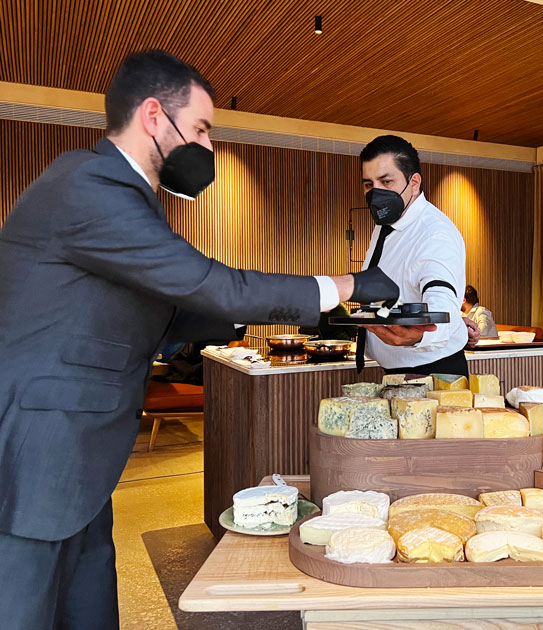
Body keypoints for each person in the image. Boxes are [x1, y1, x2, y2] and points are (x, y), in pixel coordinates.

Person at [0, 49, 398, 630]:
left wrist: (332, 317)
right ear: (155, 116)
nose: (208, 147)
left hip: (79, 452)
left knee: (83, 606)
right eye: (203, 128)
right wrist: (347, 283)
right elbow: (208, 283)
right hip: (43, 447)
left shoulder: (123, 194)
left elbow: (172, 311)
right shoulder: (89, 183)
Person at [355, 135, 471, 377]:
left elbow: (441, 302)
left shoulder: (434, 232)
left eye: (386, 181)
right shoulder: (386, 226)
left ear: (414, 182)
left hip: (434, 372)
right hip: (396, 369)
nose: (376, 193)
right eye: (368, 184)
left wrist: (429, 330)